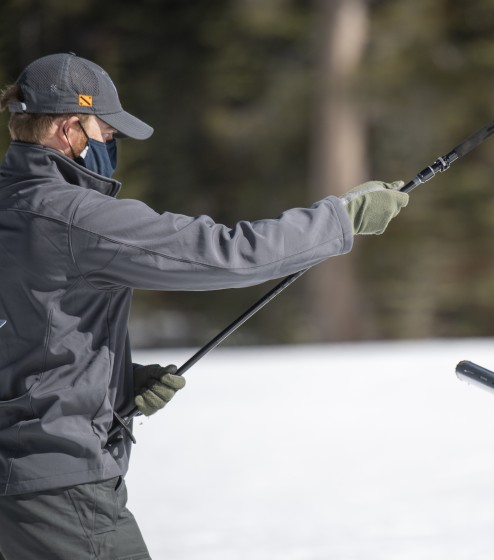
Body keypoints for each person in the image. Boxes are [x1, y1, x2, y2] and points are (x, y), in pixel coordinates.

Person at [0, 52, 408, 559]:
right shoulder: (74, 216)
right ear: (68, 132)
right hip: (60, 492)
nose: (113, 146)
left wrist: (119, 381)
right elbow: (227, 253)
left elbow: (21, 332)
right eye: (108, 134)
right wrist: (342, 217)